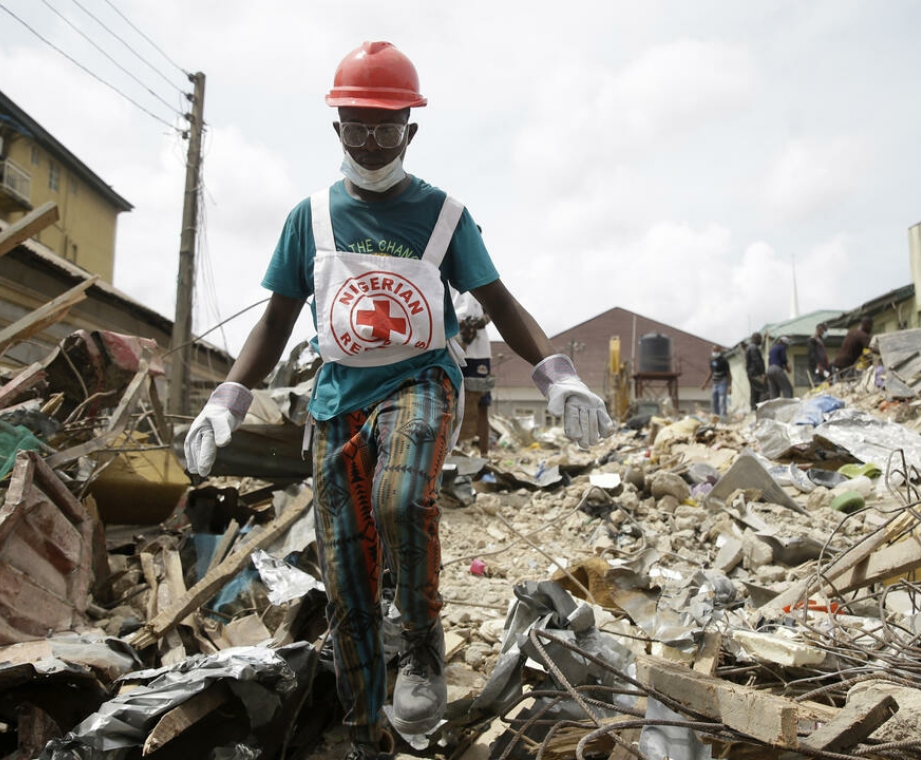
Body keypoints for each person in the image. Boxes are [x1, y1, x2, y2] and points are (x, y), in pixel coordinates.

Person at [182, 41, 614, 760]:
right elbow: (277, 319)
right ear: (338, 128)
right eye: (358, 127)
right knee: (347, 572)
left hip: (418, 382)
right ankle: (364, 731)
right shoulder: (309, 218)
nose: (372, 143)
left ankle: (420, 643)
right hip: (336, 398)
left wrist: (558, 375)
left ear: (411, 131)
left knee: (402, 496)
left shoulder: (443, 215)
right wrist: (226, 400)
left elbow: (500, 303)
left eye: (388, 129)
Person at [453, 290, 492, 456]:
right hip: (452, 346)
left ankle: (484, 457)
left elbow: (493, 310)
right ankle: (446, 455)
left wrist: (479, 322)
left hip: (478, 351)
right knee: (448, 401)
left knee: (481, 404)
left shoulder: (479, 281)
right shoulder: (441, 276)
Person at [699, 344, 731, 419]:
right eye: (714, 350)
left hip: (723, 381)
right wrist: (705, 383)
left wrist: (730, 385)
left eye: (716, 350)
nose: (715, 352)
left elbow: (728, 373)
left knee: (722, 400)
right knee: (714, 400)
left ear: (719, 351)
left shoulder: (723, 360)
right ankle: (716, 417)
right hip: (715, 382)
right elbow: (711, 372)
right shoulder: (711, 359)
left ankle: (723, 418)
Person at [744, 332, 768, 410]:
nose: (761, 341)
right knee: (763, 390)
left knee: (754, 391)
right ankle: (761, 408)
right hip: (756, 373)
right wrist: (762, 373)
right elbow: (757, 361)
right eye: (760, 339)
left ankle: (754, 408)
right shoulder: (754, 348)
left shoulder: (749, 347)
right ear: (756, 339)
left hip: (751, 373)